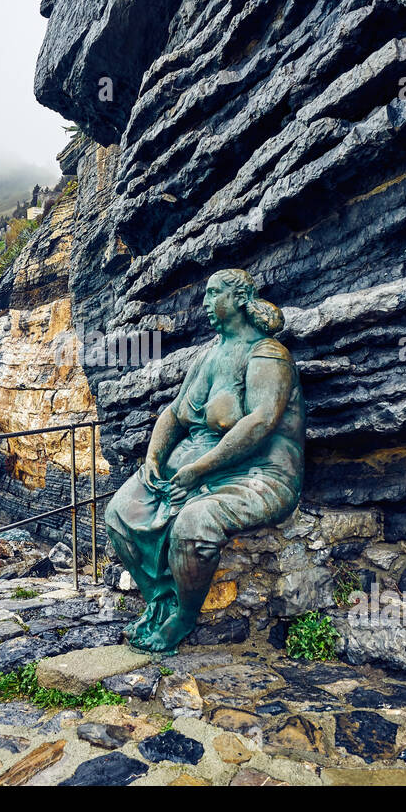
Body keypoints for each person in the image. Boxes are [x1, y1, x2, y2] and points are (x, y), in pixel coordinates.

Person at [104, 268, 304, 653]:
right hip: (195, 471)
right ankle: (160, 601)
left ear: (239, 300)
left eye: (214, 295)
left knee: (195, 523)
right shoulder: (209, 355)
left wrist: (200, 468)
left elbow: (260, 421)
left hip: (259, 474)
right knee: (118, 512)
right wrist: (152, 458)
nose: (206, 304)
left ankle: (182, 618)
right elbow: (175, 414)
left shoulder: (267, 354)